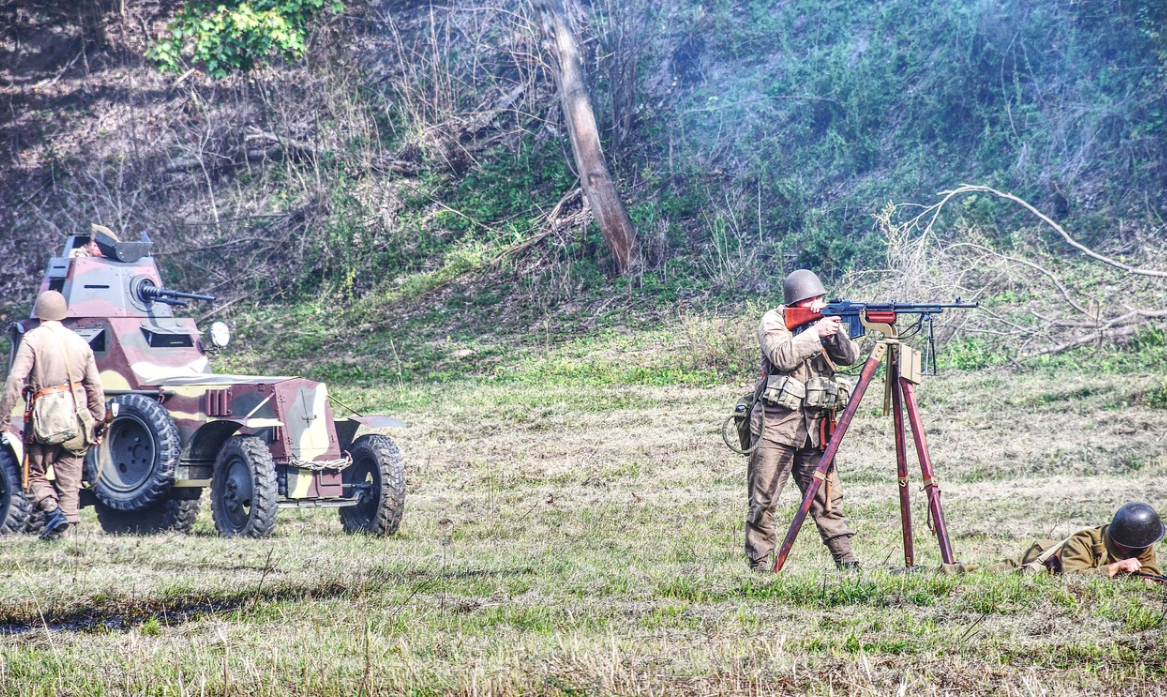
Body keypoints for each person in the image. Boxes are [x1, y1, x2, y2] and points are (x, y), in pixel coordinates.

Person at [745, 269, 860, 571]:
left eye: (821, 300)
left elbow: (850, 358)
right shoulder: (774, 320)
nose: (819, 305)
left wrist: (833, 332)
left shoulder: (821, 325)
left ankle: (847, 563)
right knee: (763, 501)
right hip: (775, 428)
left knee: (828, 500)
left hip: (815, 429)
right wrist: (815, 332)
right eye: (813, 301)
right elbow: (781, 356)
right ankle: (759, 566)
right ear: (797, 301)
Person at [0, 291, 105, 539]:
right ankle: (65, 534)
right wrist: (98, 423)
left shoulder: (32, 339)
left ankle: (52, 511)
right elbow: (95, 388)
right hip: (78, 420)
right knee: (70, 481)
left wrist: (3, 419)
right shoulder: (80, 342)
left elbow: (15, 380)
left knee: (34, 475)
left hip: (44, 419)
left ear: (39, 314)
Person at [986, 502, 1163, 581]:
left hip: (1061, 558)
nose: (1146, 547)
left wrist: (1147, 580)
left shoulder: (1142, 544)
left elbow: (1150, 572)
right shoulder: (1084, 541)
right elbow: (1072, 577)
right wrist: (1114, 568)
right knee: (987, 573)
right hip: (1043, 559)